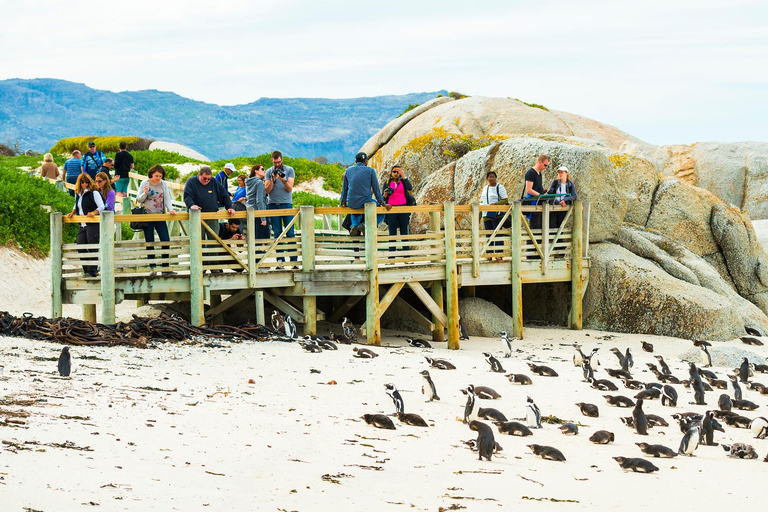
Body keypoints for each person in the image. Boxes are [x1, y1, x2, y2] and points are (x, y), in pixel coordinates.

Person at [136, 165, 177, 274]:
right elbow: (138, 200)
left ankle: (165, 267)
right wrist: (145, 193)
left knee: (165, 240)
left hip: (160, 215)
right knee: (150, 242)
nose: (158, 178)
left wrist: (171, 209)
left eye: (160, 176)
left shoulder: (163, 184)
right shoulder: (144, 183)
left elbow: (167, 198)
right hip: (148, 216)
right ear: (151, 174)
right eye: (156, 176)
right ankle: (152, 268)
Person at [340, 152, 391, 236]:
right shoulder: (370, 171)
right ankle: (364, 225)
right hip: (365, 201)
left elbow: (344, 189)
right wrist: (383, 204)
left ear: (356, 161)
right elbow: (376, 190)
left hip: (352, 202)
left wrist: (343, 203)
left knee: (355, 210)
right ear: (366, 161)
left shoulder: (348, 170)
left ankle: (354, 225)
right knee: (382, 213)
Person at [65, 173, 104, 277]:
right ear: (79, 182)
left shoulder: (94, 192)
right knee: (80, 246)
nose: (85, 184)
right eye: (82, 182)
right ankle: (86, 269)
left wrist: (94, 212)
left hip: (92, 224)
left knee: (92, 247)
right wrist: (72, 212)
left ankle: (93, 270)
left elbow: (101, 206)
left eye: (87, 182)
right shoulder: (78, 193)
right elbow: (76, 205)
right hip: (82, 224)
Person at [265, 151, 297, 265]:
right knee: (277, 233)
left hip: (286, 204)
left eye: (278, 162)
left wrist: (283, 179)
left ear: (282, 159)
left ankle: (293, 261)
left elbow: (289, 188)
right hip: (272, 204)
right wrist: (273, 179)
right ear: (272, 161)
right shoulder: (269, 171)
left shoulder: (289, 170)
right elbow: (267, 191)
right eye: (275, 162)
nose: (277, 164)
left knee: (290, 232)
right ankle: (280, 261)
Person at [382, 165, 413, 251]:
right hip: (391, 209)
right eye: (394, 172)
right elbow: (382, 198)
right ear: (391, 173)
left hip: (403, 208)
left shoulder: (403, 182)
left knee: (404, 232)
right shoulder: (387, 183)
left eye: (397, 172)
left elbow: (410, 188)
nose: (396, 173)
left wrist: (403, 175)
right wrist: (385, 195)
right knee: (392, 233)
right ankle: (391, 257)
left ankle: (406, 256)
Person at [480, 171, 508, 257]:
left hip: (496, 215)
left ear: (496, 178)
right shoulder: (485, 188)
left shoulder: (499, 187)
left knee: (498, 235)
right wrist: (479, 216)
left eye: (493, 177)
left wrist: (496, 204)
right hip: (486, 215)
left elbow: (505, 200)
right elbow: (482, 202)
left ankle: (499, 255)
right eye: (489, 177)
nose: (491, 178)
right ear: (487, 178)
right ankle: (489, 255)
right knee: (488, 235)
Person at [522, 154, 549, 229]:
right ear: (540, 162)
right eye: (545, 165)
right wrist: (540, 195)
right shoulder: (531, 173)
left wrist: (544, 192)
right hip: (533, 202)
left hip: (539, 201)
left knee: (540, 225)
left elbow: (538, 187)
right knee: (534, 225)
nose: (546, 167)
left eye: (547, 166)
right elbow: (529, 189)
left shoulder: (539, 173)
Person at [245, 164, 270, 240]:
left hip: (250, 210)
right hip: (258, 212)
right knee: (262, 237)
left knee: (254, 235)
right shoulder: (259, 182)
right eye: (262, 169)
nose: (264, 171)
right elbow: (259, 200)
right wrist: (263, 218)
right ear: (256, 171)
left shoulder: (249, 182)